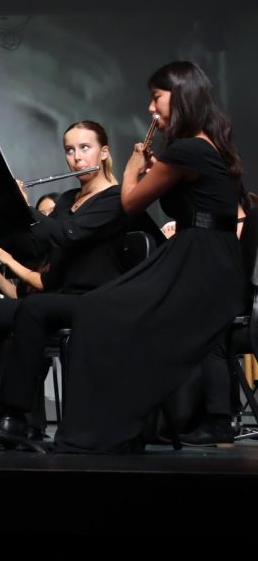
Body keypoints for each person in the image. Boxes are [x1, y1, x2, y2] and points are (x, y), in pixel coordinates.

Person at [56, 62, 247, 452]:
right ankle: (125, 426)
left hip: (200, 264)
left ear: (179, 97)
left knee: (97, 309)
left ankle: (103, 431)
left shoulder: (187, 150)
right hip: (209, 260)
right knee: (106, 307)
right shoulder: (208, 142)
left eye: (156, 97)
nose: (150, 108)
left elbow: (129, 203)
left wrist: (133, 168)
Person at [0, 120, 129, 441]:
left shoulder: (114, 199)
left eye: (84, 148)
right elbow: (37, 247)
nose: (76, 158)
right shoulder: (67, 200)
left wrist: (28, 208)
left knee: (33, 308)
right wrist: (7, 210)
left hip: (93, 299)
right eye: (70, 151)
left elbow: (66, 235)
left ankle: (16, 415)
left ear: (103, 153)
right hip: (59, 297)